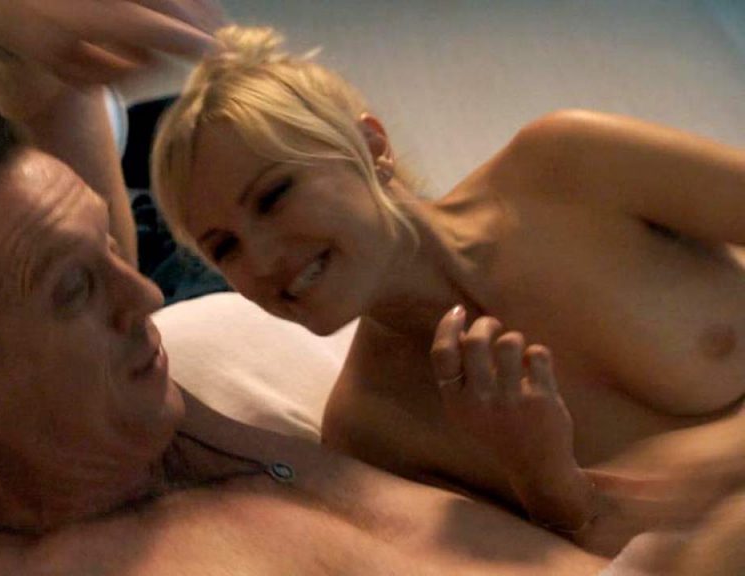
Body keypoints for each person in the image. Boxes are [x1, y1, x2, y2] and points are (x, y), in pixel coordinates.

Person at [150, 24, 745, 556]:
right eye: (224, 247)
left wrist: (720, 454)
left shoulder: (567, 166)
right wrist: (547, 482)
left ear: (372, 147)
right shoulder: (372, 435)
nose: (261, 259)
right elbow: (605, 563)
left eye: (275, 196)